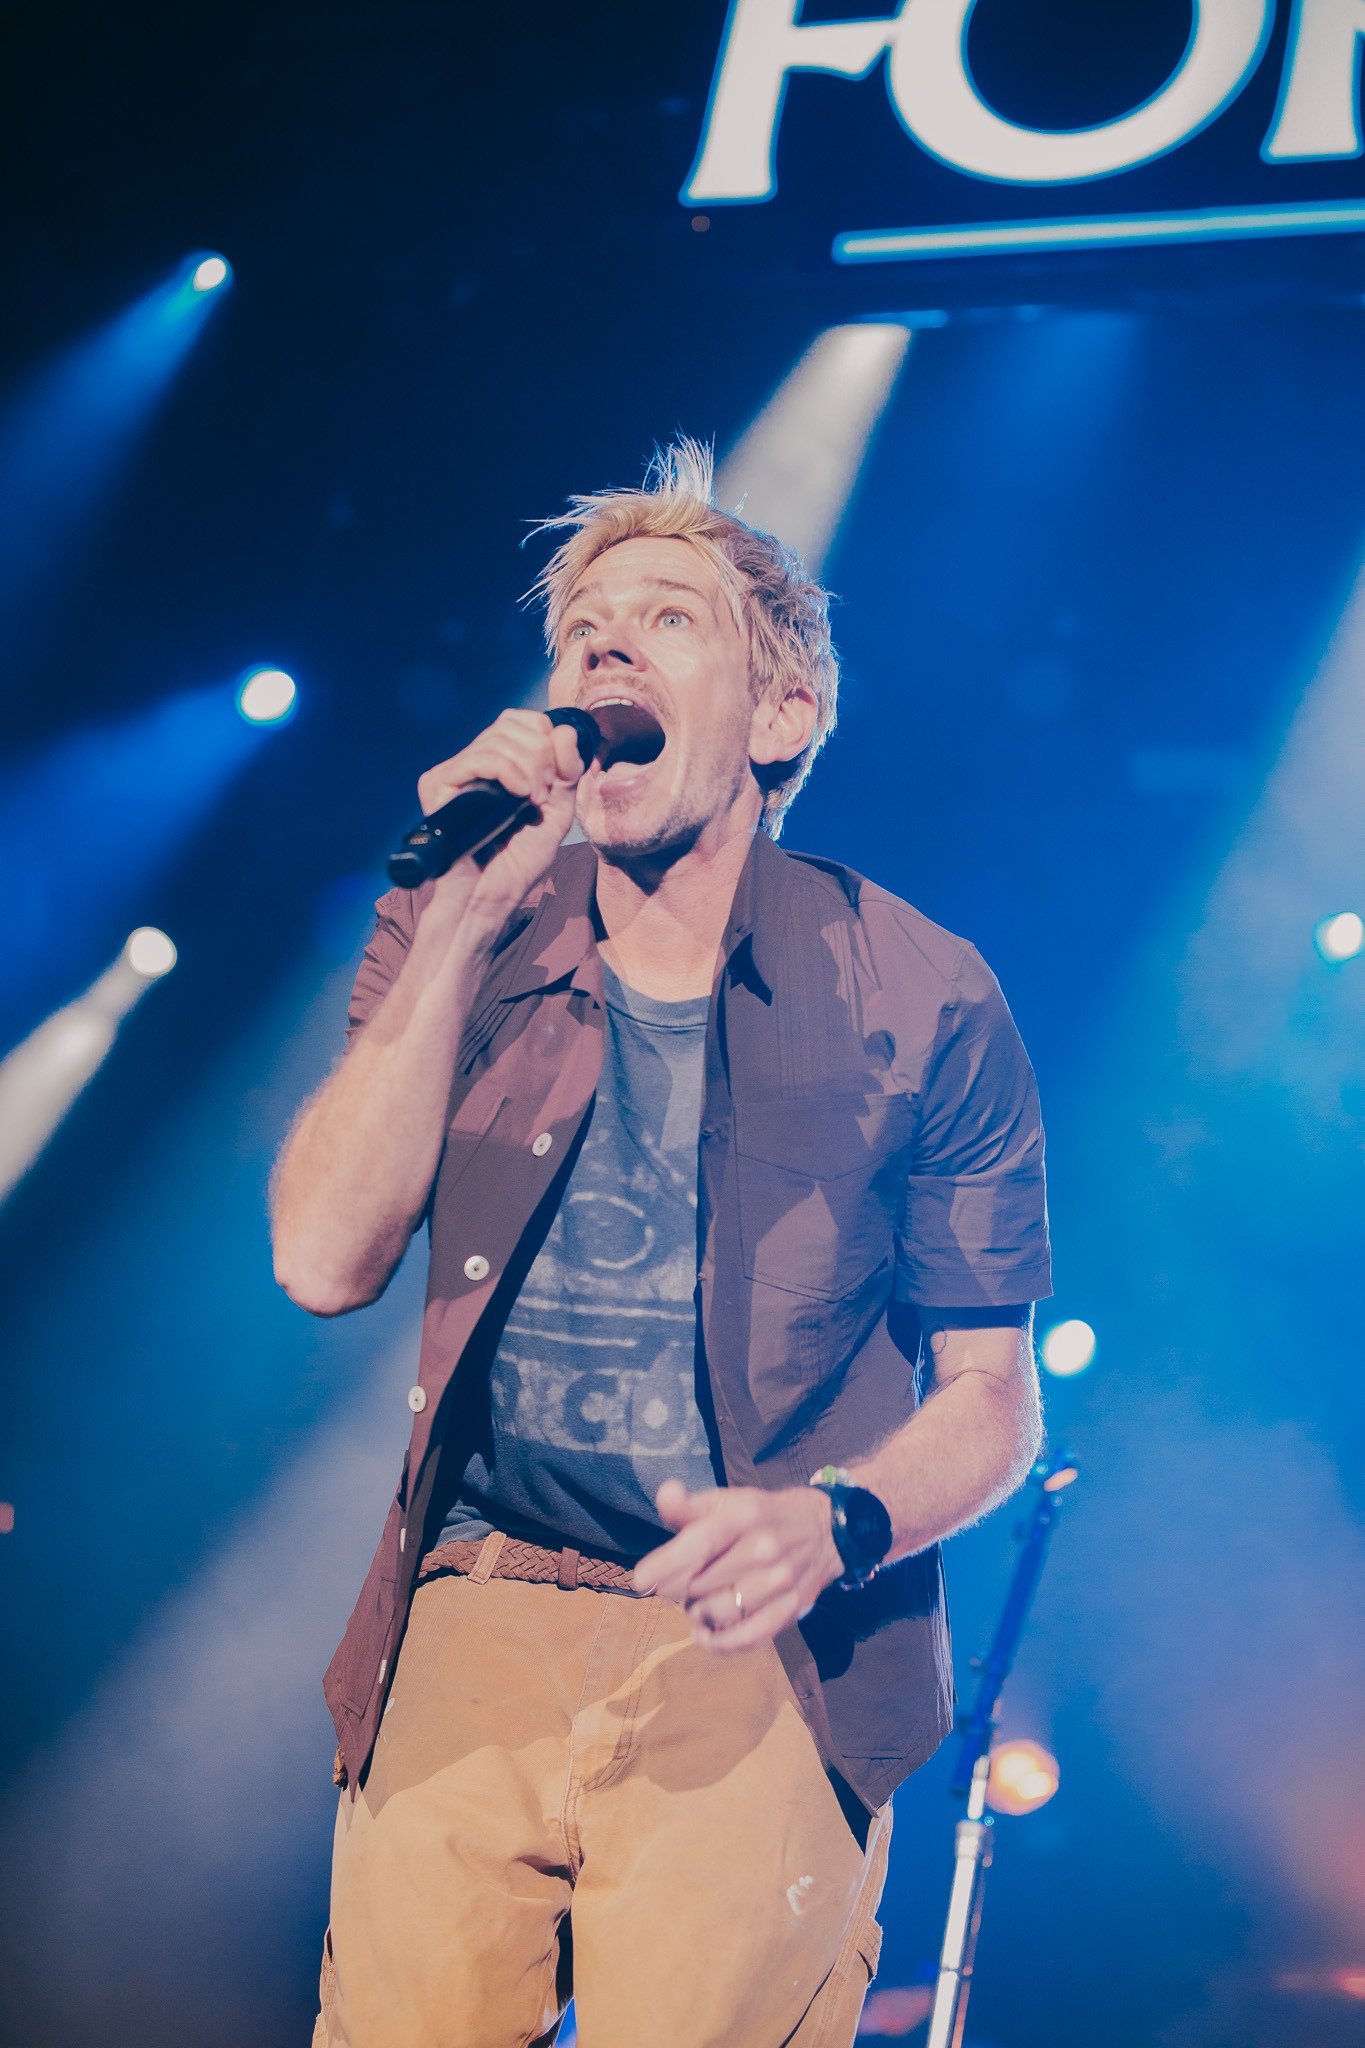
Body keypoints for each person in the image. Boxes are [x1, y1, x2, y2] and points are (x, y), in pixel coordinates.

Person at [271, 440, 1051, 2048]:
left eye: (666, 621)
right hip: (475, 1600)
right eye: (581, 634)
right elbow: (321, 1260)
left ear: (779, 717)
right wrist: (457, 919)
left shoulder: (921, 991)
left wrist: (837, 1522)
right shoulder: (469, 925)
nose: (605, 651)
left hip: (764, 1644)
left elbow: (991, 1396)